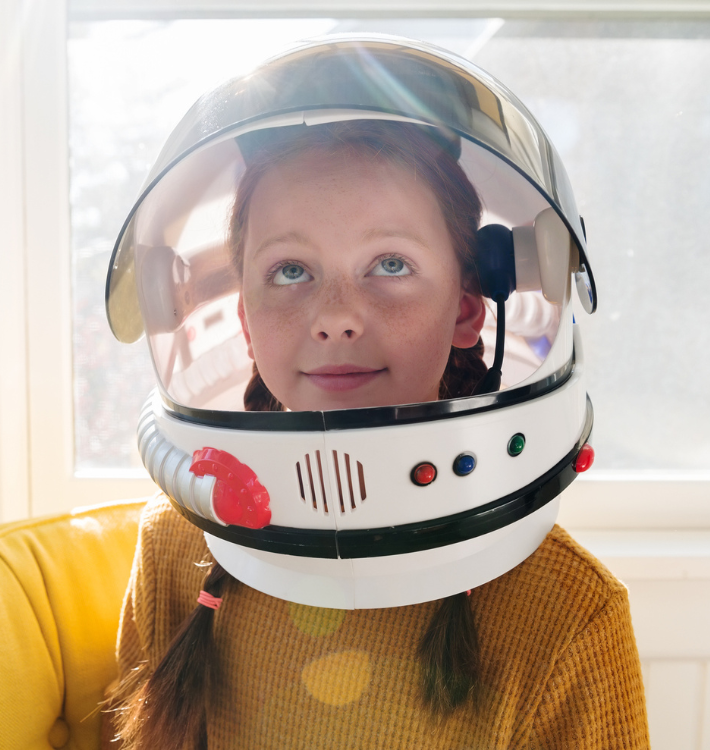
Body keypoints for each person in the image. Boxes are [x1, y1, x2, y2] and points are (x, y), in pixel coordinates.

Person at [102, 37, 648, 749]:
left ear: (465, 306)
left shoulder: (565, 611)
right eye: (290, 271)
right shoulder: (177, 542)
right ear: (243, 318)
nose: (335, 317)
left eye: (388, 263)